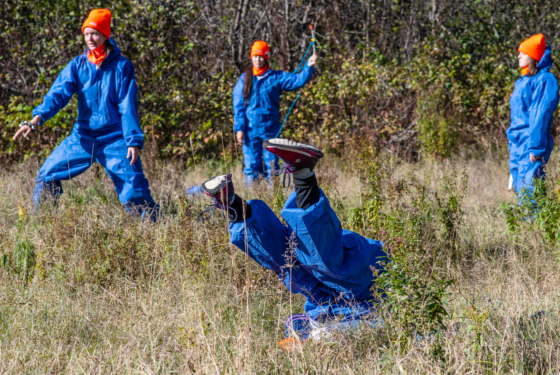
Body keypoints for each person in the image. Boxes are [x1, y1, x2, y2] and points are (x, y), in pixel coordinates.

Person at [198, 138, 385, 340]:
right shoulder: (401, 296)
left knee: (288, 266)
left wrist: (310, 336)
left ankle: (232, 204)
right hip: (371, 271)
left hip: (335, 302)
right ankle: (303, 170)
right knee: (325, 262)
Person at [12, 9, 159, 221]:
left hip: (115, 138)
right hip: (82, 138)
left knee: (134, 188)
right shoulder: (77, 65)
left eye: (95, 34)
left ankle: (154, 229)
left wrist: (133, 141)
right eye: (86, 34)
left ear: (105, 35)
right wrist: (36, 120)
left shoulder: (122, 67)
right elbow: (58, 94)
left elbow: (127, 106)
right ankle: (44, 224)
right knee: (46, 175)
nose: (90, 39)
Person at [233, 41, 317, 185]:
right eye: (255, 56)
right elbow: (238, 106)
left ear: (266, 58)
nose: (258, 60)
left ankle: (273, 199)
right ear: (251, 58)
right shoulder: (244, 79)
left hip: (270, 129)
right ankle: (252, 199)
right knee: (252, 166)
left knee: (272, 165)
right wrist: (239, 129)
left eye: (260, 57)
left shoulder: (276, 77)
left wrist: (308, 67)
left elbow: (296, 80)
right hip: (249, 130)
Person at [508, 33, 559, 201]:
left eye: (522, 53)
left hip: (531, 144)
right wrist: (512, 145)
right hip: (517, 145)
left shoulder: (545, 80)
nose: (518, 56)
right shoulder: (522, 81)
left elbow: (540, 114)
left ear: (533, 56)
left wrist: (536, 147)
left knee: (531, 193)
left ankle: (537, 227)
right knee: (520, 191)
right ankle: (526, 227)